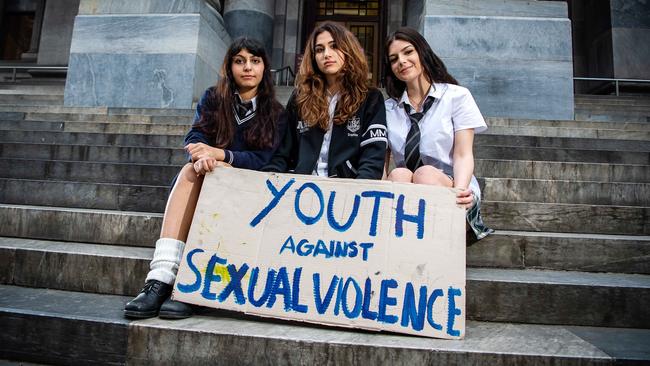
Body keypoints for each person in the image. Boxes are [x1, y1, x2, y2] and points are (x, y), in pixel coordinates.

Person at [124, 37, 285, 319]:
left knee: (218, 172)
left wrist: (221, 156)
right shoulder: (214, 98)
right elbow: (196, 136)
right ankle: (160, 279)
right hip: (212, 179)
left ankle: (193, 286)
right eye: (240, 61)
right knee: (190, 171)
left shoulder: (276, 112)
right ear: (229, 66)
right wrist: (203, 157)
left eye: (255, 61)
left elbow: (265, 160)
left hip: (251, 188)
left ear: (264, 68)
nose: (248, 68)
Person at [383, 27, 493, 242]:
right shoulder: (388, 108)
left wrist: (459, 191)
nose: (402, 61)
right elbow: (382, 163)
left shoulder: (456, 96)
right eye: (394, 59)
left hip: (451, 185)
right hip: (408, 191)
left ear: (422, 53)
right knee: (398, 175)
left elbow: (463, 154)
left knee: (425, 174)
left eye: (408, 52)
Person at [264, 21, 386, 179]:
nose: (326, 54)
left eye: (334, 46)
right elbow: (283, 152)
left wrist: (357, 193)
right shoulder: (300, 97)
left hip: (346, 189)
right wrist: (268, 179)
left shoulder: (371, 97)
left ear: (349, 50)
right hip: (301, 188)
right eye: (319, 50)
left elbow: (373, 158)